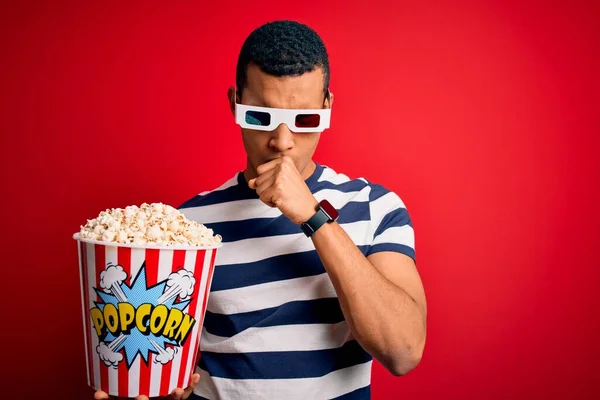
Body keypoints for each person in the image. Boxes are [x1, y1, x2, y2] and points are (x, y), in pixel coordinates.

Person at [95, 19, 426, 400]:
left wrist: (313, 217)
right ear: (235, 104)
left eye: (303, 120)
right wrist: (161, 387)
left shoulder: (376, 207)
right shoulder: (184, 227)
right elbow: (166, 357)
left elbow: (402, 351)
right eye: (260, 117)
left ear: (327, 106)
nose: (282, 142)